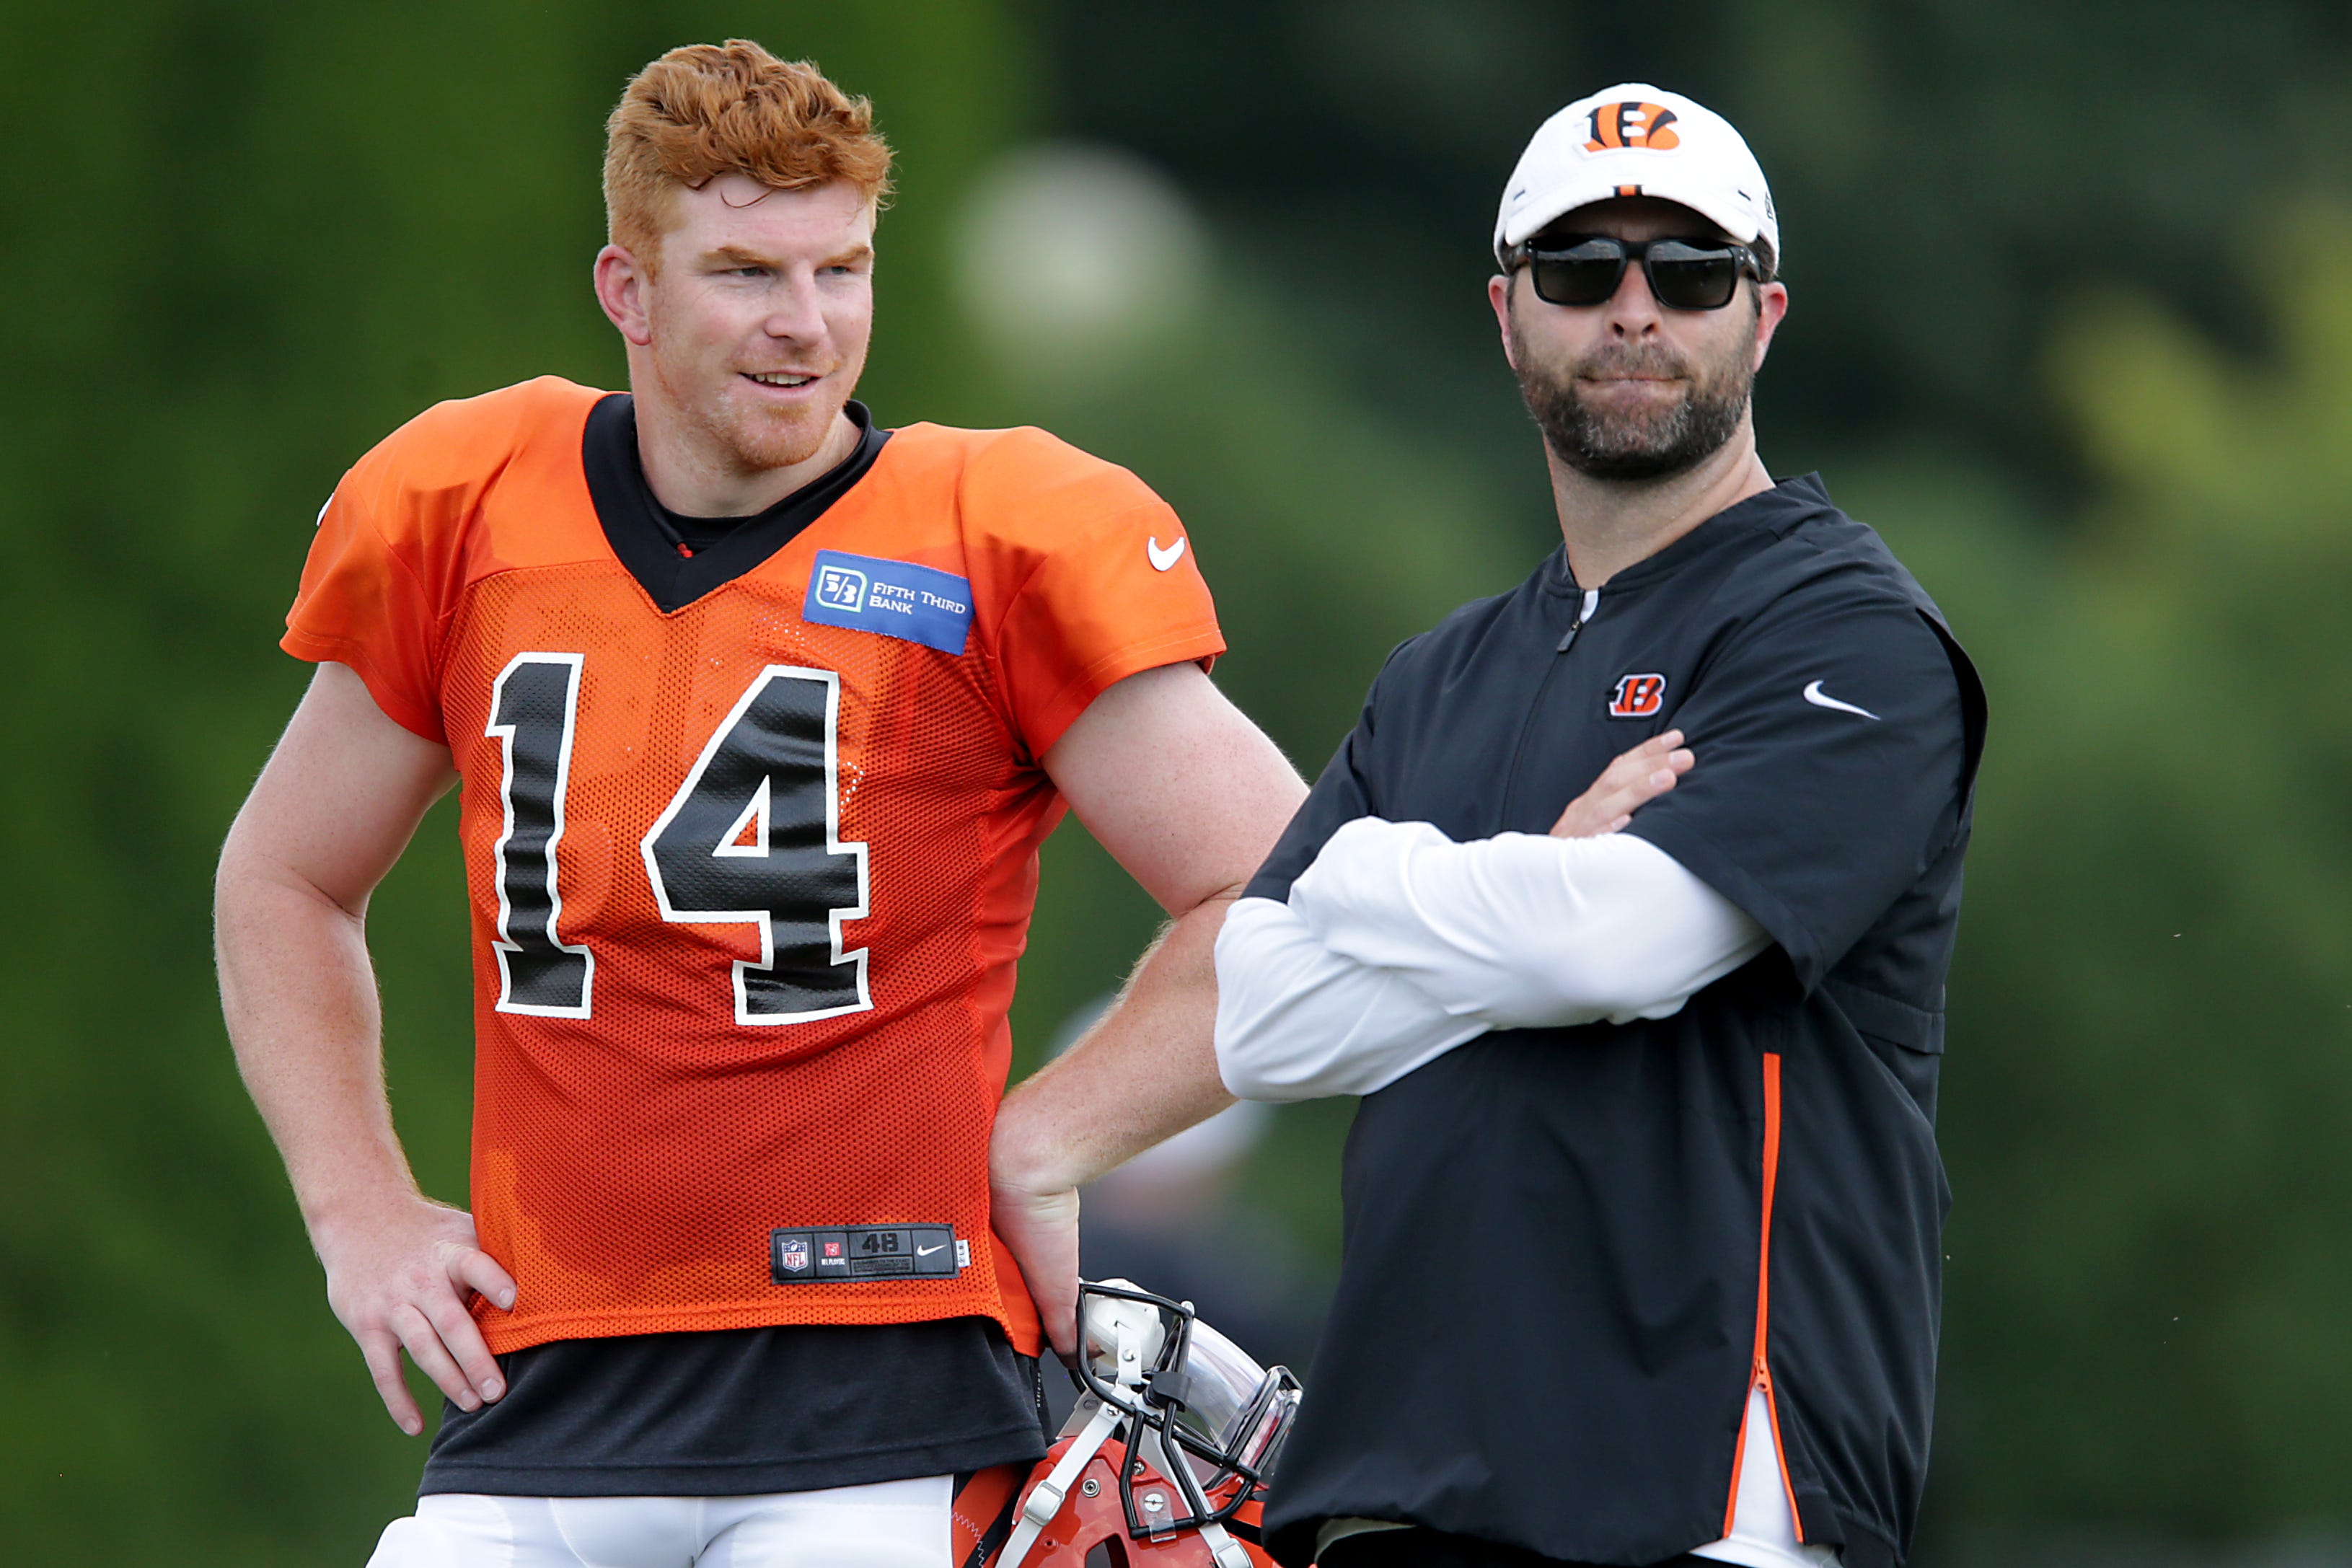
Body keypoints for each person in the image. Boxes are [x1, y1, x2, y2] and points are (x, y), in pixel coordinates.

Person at [212, 40, 1311, 1567]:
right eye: (743, 272)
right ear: (627, 290)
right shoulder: (464, 504)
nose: (805, 326)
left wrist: (1046, 1141)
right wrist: (358, 1209)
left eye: (840, 270)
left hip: (871, 1392)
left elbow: (1285, 885)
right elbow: (282, 874)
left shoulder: (991, 536)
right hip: (542, 1378)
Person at [1215, 86, 1986, 1568]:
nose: (1632, 309)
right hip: (1399, 1487)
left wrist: (1380, 874)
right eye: (1578, 271)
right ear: (1506, 315)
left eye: (1686, 273)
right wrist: (1543, 890)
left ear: (1760, 316)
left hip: (1707, 1498)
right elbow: (1256, 1019)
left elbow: (1629, 947)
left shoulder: (1849, 631)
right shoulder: (1436, 671)